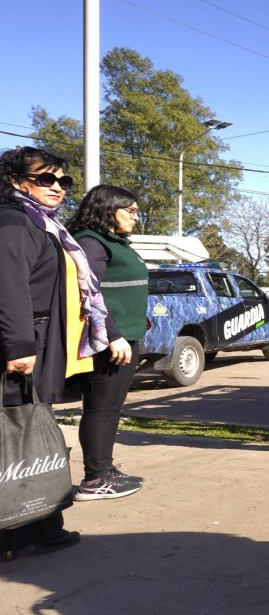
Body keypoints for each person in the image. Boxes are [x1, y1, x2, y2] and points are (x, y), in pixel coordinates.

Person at [0, 146, 106, 558]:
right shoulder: (13, 223)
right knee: (18, 436)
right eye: (47, 179)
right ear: (15, 180)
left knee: (28, 434)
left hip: (38, 339)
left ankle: (36, 524)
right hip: (24, 343)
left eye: (64, 181)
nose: (58, 188)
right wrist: (20, 345)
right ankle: (24, 529)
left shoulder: (39, 222)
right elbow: (9, 288)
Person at [67, 185, 149, 500]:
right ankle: (94, 480)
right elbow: (91, 293)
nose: (135, 217)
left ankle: (105, 468)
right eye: (129, 211)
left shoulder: (114, 242)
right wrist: (113, 335)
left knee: (112, 408)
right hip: (110, 342)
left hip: (127, 336)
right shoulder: (91, 241)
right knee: (101, 409)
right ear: (107, 208)